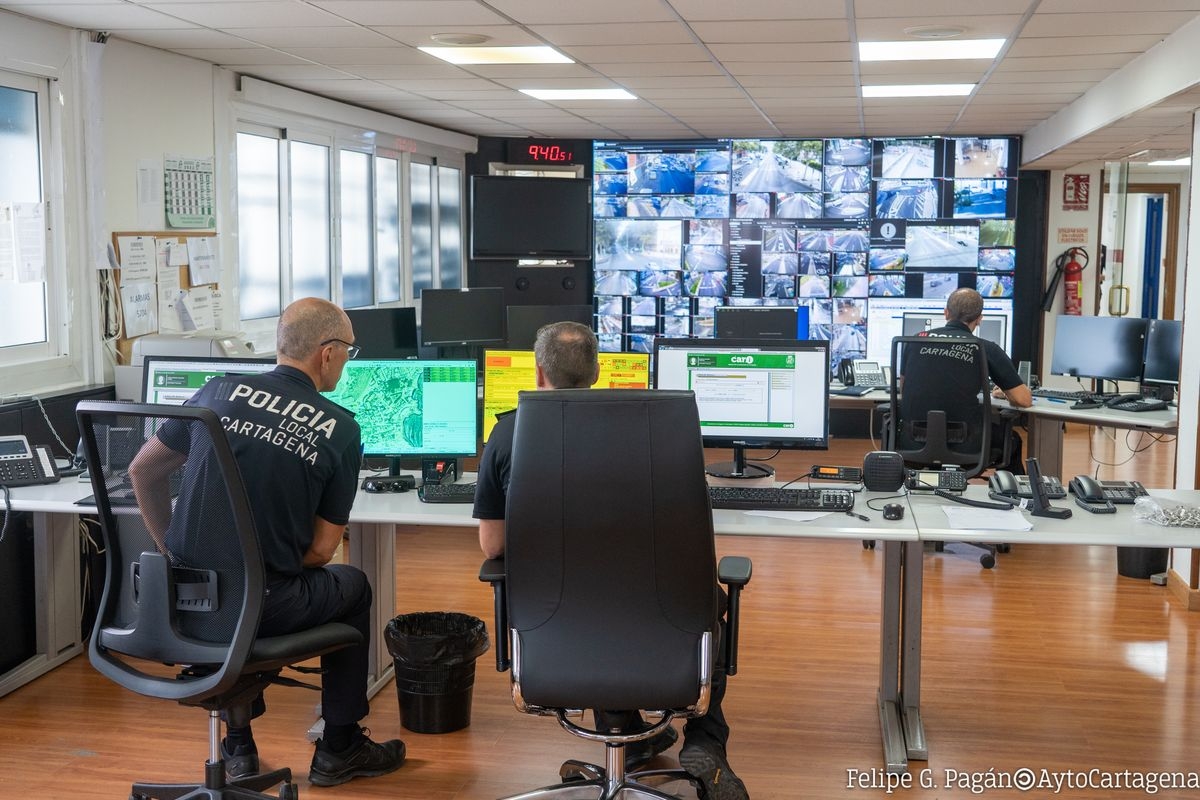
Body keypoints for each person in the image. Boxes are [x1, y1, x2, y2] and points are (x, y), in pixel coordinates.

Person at [128, 297, 405, 787]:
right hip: (268, 604)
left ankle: (238, 745)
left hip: (186, 596)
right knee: (353, 585)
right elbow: (321, 552)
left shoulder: (214, 392)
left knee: (238, 595)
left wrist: (173, 554)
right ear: (327, 353)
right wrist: (260, 561)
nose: (347, 361)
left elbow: (143, 469)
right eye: (349, 353)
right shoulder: (339, 428)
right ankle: (340, 745)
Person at [473, 321, 749, 800]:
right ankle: (706, 744)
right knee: (706, 599)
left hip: (557, 631)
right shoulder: (657, 429)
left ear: (538, 373)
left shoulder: (509, 433)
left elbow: (493, 548)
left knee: (585, 586)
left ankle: (622, 730)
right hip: (657, 621)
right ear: (597, 372)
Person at [905, 287, 1032, 473]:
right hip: (966, 442)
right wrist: (1004, 394)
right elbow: (1023, 400)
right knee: (1011, 440)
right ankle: (1013, 497)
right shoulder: (985, 348)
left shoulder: (915, 341)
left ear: (946, 312)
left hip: (913, 438)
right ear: (979, 319)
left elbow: (905, 387)